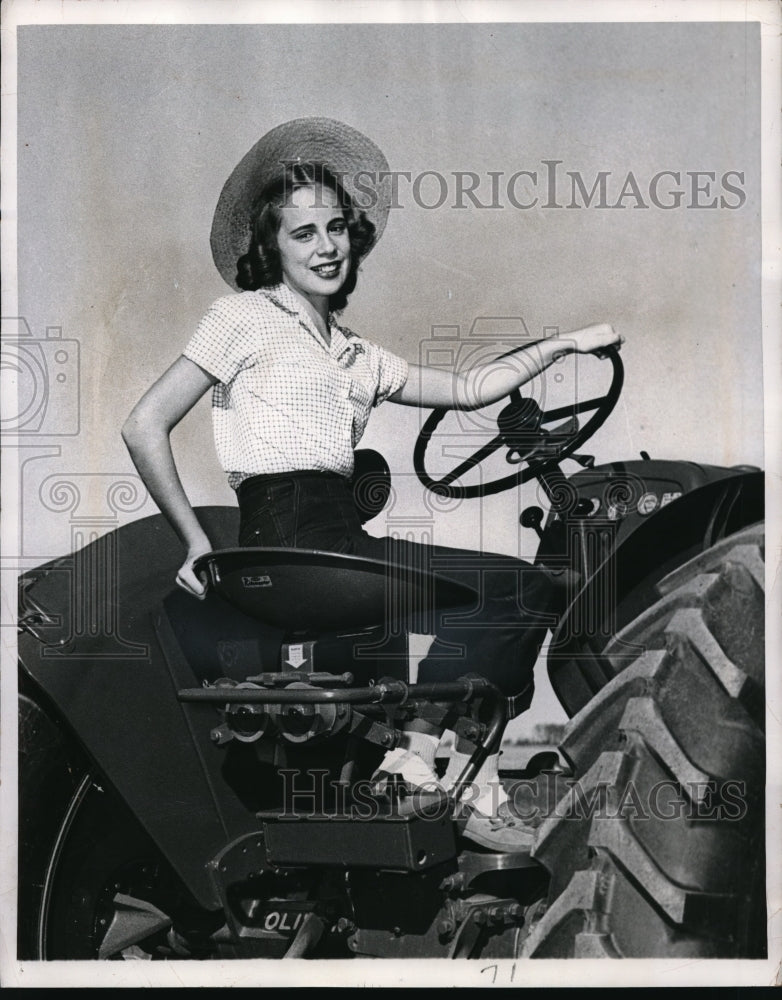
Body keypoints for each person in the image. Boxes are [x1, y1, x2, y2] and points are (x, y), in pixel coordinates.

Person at [122, 117, 622, 851]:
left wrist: (566, 343)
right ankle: (423, 761)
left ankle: (426, 763)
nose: (325, 247)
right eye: (302, 234)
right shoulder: (241, 319)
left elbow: (475, 388)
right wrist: (193, 539)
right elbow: (143, 424)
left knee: (513, 590)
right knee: (521, 591)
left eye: (337, 229)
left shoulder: (359, 355)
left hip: (337, 544)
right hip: (287, 546)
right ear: (271, 248)